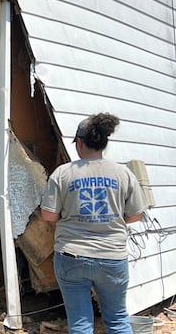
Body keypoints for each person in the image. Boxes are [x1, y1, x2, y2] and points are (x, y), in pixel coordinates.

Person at [40, 113, 146, 334]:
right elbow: (136, 215)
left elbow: (49, 216)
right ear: (103, 143)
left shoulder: (63, 173)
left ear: (79, 142)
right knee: (117, 320)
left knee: (80, 324)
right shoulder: (123, 173)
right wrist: (113, 219)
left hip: (72, 256)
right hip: (112, 258)